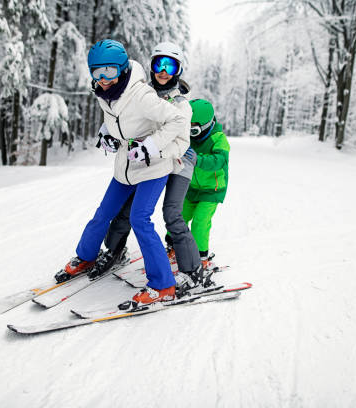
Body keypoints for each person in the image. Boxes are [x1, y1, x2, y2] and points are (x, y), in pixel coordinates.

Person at [54, 39, 190, 305]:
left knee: (140, 220)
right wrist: (108, 134)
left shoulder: (140, 94)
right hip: (125, 167)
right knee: (103, 213)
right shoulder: (108, 91)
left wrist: (150, 146)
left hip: (153, 167)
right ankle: (86, 256)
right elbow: (122, 122)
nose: (103, 79)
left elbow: (178, 120)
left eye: (109, 72)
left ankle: (163, 285)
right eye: (97, 72)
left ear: (122, 69)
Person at [88, 42, 212, 297]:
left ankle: (192, 269)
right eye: (159, 64)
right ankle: (114, 251)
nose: (163, 71)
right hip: (147, 159)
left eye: (170, 65)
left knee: (172, 214)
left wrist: (154, 151)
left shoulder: (181, 105)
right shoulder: (140, 92)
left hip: (178, 159)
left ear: (178, 70)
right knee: (125, 210)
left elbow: (182, 143)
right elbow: (122, 120)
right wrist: (107, 134)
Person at [182, 99, 230, 268]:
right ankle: (173, 247)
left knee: (200, 221)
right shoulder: (188, 136)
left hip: (212, 190)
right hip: (192, 187)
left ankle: (201, 257)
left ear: (207, 124)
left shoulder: (219, 138)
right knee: (179, 215)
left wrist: (198, 159)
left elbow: (220, 160)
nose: (191, 133)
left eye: (194, 129)